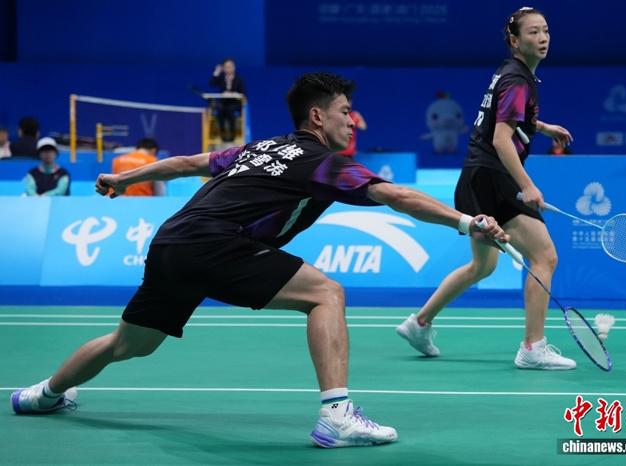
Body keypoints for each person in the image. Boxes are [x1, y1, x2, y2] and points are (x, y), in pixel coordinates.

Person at [11, 72, 508, 448]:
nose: (350, 119)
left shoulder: (259, 148)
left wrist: (123, 180)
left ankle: (42, 394)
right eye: (344, 110)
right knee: (326, 293)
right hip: (216, 242)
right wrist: (467, 222)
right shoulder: (322, 162)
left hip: (172, 241)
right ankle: (336, 415)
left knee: (129, 343)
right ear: (317, 117)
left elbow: (187, 164)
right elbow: (395, 196)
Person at [396, 7, 577, 370]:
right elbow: (500, 138)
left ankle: (419, 324)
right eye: (532, 32)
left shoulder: (512, 73)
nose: (542, 38)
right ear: (514, 40)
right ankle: (533, 347)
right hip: (494, 177)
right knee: (545, 256)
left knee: (482, 267)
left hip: (475, 177)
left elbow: (507, 117)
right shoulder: (517, 79)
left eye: (545, 30)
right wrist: (528, 185)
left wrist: (543, 128)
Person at [209, 58, 246, 141]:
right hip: (224, 103)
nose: (229, 68)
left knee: (229, 111)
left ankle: (232, 135)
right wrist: (217, 72)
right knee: (220, 112)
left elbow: (244, 94)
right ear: (224, 68)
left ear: (234, 67)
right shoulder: (221, 78)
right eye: (226, 67)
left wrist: (233, 94)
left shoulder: (239, 79)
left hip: (235, 104)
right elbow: (212, 83)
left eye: (230, 66)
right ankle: (223, 135)